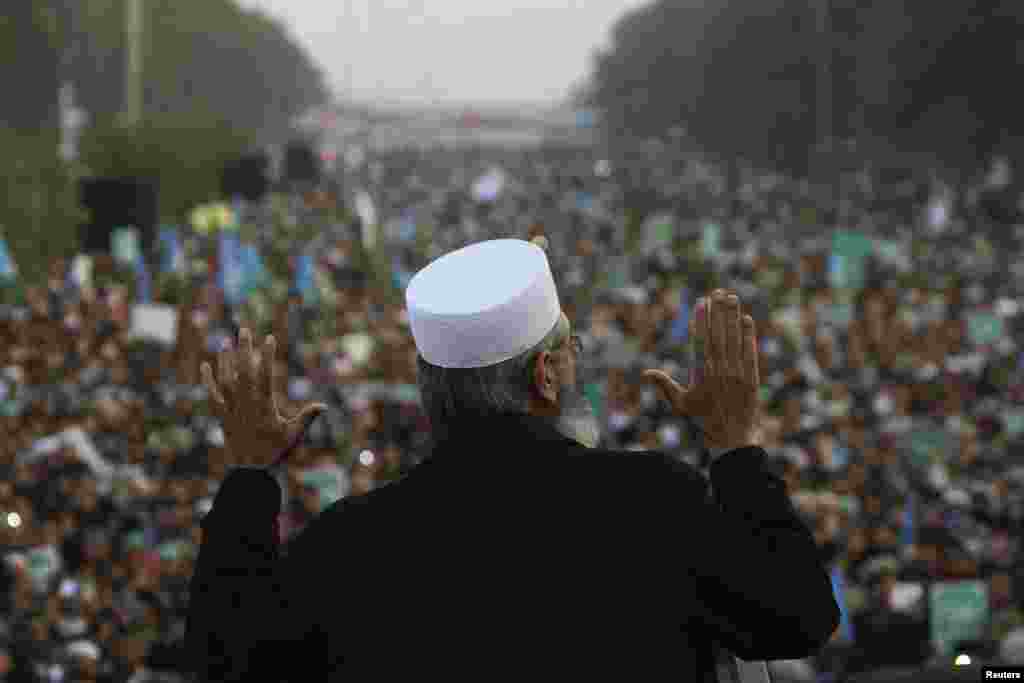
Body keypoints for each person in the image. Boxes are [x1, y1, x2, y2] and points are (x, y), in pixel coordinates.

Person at [185, 237, 838, 681]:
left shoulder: (346, 546)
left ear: (428, 389)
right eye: (571, 351)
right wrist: (736, 448)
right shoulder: (654, 503)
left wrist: (248, 474)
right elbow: (798, 613)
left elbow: (224, 662)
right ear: (548, 376)